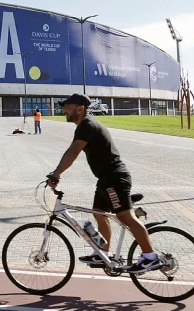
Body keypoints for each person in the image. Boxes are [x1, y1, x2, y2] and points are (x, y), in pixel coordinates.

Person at [46, 93, 160, 273]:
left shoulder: (87, 124)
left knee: (125, 216)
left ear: (80, 108)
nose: (64, 110)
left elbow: (74, 151)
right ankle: (102, 253)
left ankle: (150, 257)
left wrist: (57, 173)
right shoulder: (86, 124)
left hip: (115, 178)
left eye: (68, 107)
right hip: (105, 180)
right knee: (99, 214)